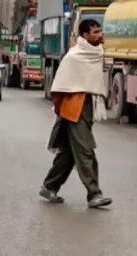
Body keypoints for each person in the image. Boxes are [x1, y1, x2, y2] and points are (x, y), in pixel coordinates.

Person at [39, 19, 112, 208]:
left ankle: (50, 186)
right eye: (95, 32)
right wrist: (61, 110)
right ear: (85, 35)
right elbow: (59, 86)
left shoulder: (97, 52)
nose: (100, 35)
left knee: (70, 153)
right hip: (74, 107)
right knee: (85, 150)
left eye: (100, 31)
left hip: (88, 105)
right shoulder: (74, 56)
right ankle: (94, 194)